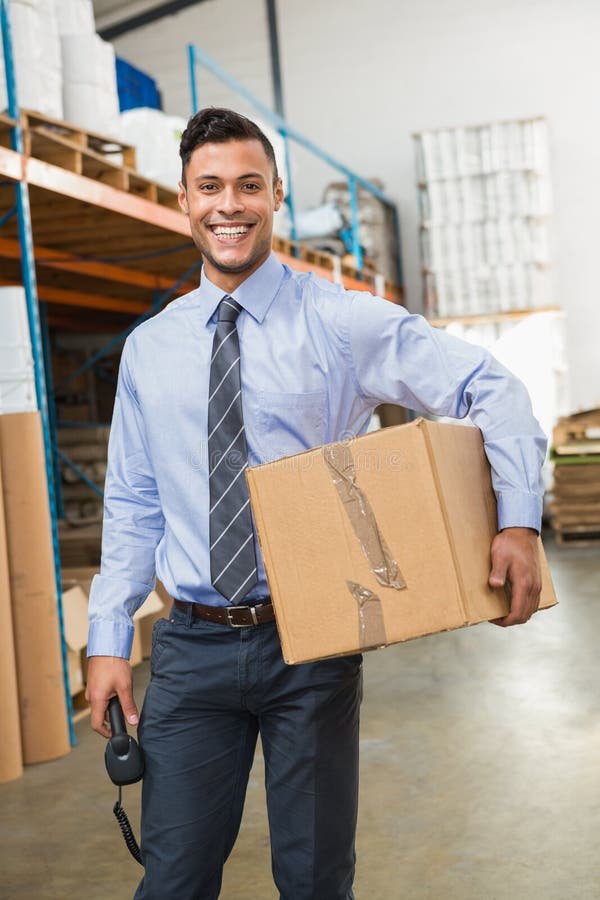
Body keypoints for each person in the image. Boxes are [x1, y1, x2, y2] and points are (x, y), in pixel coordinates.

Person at [86, 107, 546, 900]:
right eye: (209, 187)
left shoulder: (338, 321)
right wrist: (106, 638)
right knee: (174, 879)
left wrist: (518, 520)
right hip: (191, 647)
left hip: (312, 643)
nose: (229, 204)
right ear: (185, 201)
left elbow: (489, 387)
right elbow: (133, 501)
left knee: (314, 880)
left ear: (275, 198)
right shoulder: (151, 349)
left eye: (248, 185)